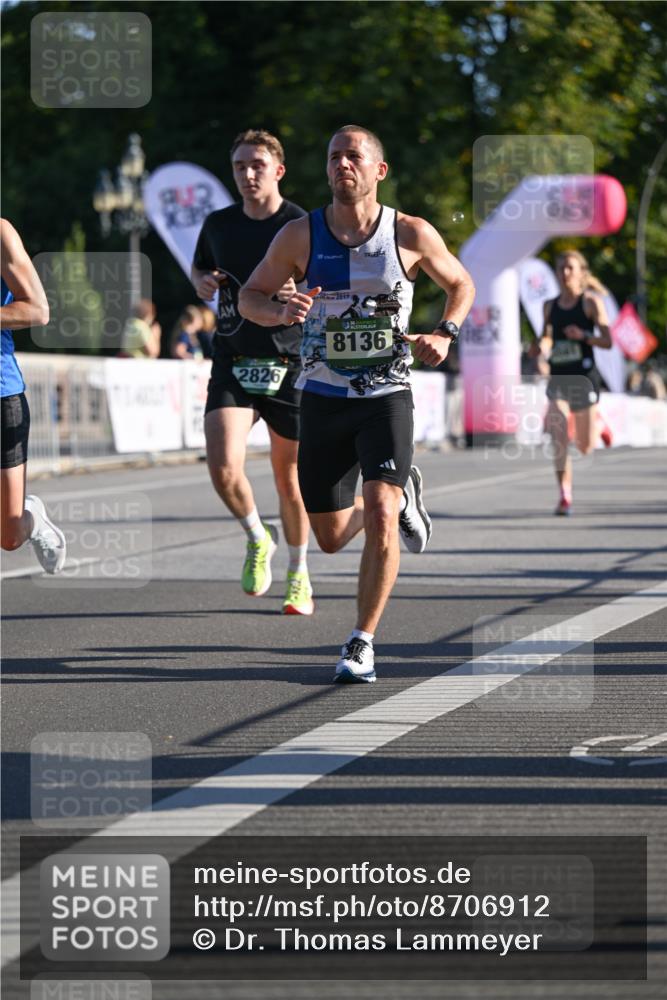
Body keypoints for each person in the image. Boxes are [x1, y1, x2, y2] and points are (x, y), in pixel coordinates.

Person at [239, 125, 475, 682]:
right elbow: (249, 296)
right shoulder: (300, 235)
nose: (342, 164)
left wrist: (444, 333)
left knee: (382, 512)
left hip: (385, 395)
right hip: (322, 397)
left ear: (379, 170)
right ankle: (398, 497)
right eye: (333, 157)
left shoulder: (410, 232)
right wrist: (279, 312)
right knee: (327, 538)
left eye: (354, 156)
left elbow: (461, 284)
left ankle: (361, 641)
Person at [191, 129, 314, 615]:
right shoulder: (219, 224)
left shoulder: (300, 223)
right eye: (240, 166)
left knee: (290, 480)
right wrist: (202, 281)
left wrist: (299, 291)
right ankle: (257, 536)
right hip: (234, 358)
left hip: (289, 361)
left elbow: (323, 285)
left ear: (278, 170)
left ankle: (299, 573)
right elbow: (201, 269)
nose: (247, 174)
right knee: (223, 467)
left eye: (257, 165)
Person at [0, 219, 66, 573]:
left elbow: (38, 310)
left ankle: (33, 518)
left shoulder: (1, 233)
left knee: (9, 536)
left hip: (2, 395)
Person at [538, 250, 613, 516]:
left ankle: (599, 423)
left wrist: (583, 336)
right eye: (560, 268)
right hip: (559, 377)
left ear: (581, 272)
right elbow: (546, 336)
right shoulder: (549, 306)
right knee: (558, 437)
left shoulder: (590, 303)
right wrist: (542, 347)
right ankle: (564, 494)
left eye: (570, 268)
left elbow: (608, 341)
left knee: (584, 447)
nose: (565, 273)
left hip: (584, 378)